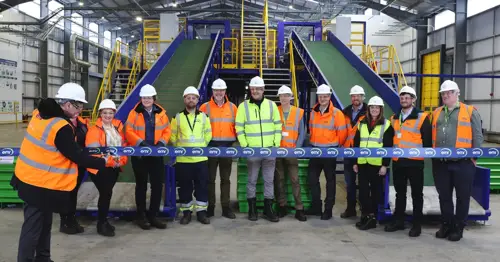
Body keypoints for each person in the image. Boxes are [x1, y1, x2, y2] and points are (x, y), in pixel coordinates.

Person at [10, 82, 118, 262]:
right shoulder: (61, 127)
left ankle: (43, 258)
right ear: (67, 104)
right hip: (38, 184)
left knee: (44, 224)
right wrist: (102, 162)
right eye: (78, 106)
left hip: (30, 179)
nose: (80, 110)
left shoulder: (39, 114)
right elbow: (76, 155)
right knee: (33, 228)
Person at [431, 80, 483, 241]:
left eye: (449, 93)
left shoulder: (469, 111)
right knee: (444, 196)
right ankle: (446, 224)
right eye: (443, 93)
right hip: (441, 163)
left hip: (463, 162)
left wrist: (474, 157)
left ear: (456, 94)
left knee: (462, 196)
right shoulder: (436, 112)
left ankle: (458, 227)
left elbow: (478, 136)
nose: (445, 95)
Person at [385, 86, 432, 237]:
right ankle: (399, 221)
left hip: (415, 162)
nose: (404, 100)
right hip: (398, 161)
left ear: (413, 99)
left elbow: (427, 141)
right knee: (400, 193)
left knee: (417, 194)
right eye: (402, 97)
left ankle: (416, 225)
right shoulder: (394, 118)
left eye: (407, 97)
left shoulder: (422, 117)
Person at [235, 76, 282, 222]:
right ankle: (252, 210)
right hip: (252, 151)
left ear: (263, 90)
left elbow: (277, 125)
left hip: (269, 150)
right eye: (253, 88)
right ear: (250, 89)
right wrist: (245, 146)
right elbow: (239, 127)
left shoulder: (271, 105)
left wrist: (275, 145)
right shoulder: (243, 107)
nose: (255, 91)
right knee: (252, 180)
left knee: (269, 180)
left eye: (258, 88)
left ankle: (268, 209)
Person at [125, 84, 171, 230]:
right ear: (141, 98)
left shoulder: (161, 113)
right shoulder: (134, 113)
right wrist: (141, 143)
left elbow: (167, 130)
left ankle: (153, 215)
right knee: (141, 185)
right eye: (144, 97)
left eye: (149, 97)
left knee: (157, 185)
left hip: (156, 154)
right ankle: (141, 216)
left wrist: (161, 144)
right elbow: (128, 130)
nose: (146, 100)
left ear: (154, 98)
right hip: (140, 155)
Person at [86, 99, 128, 237]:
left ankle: (103, 221)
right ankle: (101, 224)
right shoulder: (93, 131)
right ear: (100, 114)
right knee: (105, 194)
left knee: (107, 194)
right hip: (100, 168)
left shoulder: (117, 128)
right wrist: (111, 162)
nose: (108, 115)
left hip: (114, 167)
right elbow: (95, 153)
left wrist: (122, 160)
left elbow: (123, 146)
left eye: (110, 113)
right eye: (105, 113)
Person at [171, 86, 212, 225]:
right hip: (183, 160)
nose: (191, 100)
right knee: (185, 187)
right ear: (184, 100)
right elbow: (173, 136)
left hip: (200, 159)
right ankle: (186, 213)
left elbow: (208, 134)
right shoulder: (177, 117)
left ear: (198, 100)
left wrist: (201, 148)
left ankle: (201, 213)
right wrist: (181, 149)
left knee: (202, 186)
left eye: (193, 98)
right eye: (188, 97)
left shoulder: (204, 117)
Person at [307, 84, 347, 220]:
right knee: (312, 179)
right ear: (318, 97)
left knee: (330, 181)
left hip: (330, 152)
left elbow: (342, 134)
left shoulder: (337, 113)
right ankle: (316, 207)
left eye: (325, 96)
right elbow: (311, 129)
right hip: (315, 150)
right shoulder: (313, 112)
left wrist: (334, 146)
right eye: (320, 96)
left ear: (329, 97)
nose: (322, 99)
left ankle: (328, 209)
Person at [353, 96, 394, 230]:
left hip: (377, 165)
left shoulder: (386, 125)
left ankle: (374, 218)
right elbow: (356, 144)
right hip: (363, 163)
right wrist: (355, 162)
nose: (374, 110)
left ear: (380, 109)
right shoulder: (362, 123)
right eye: (372, 107)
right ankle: (365, 215)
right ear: (368, 109)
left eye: (377, 108)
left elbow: (388, 146)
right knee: (364, 192)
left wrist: (384, 165)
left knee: (376, 192)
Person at [199, 78, 237, 219]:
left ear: (225, 91)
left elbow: (237, 127)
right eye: (216, 90)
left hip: (227, 147)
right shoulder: (204, 107)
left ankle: (226, 208)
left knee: (225, 179)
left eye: (221, 90)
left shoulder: (233, 107)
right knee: (210, 179)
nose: (219, 92)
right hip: (211, 147)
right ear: (213, 91)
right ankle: (211, 207)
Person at [274, 85, 307, 221]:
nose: (284, 98)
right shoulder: (275, 111)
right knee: (279, 180)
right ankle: (282, 206)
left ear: (291, 97)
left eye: (286, 95)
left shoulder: (298, 112)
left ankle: (299, 209)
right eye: (281, 96)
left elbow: (302, 133)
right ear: (279, 98)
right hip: (278, 151)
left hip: (292, 151)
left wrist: (296, 149)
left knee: (295, 180)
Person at [58, 111, 90, 235]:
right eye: (75, 106)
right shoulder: (62, 124)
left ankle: (71, 219)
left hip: (79, 164)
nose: (77, 110)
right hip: (66, 165)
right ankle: (64, 222)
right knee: (66, 193)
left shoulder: (82, 123)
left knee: (74, 192)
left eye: (80, 106)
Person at [341, 85, 367, 219]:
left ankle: (364, 210)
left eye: (358, 96)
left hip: (363, 153)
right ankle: (350, 209)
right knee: (349, 183)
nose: (355, 98)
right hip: (348, 153)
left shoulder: (370, 112)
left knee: (363, 183)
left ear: (363, 97)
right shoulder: (344, 112)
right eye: (353, 96)